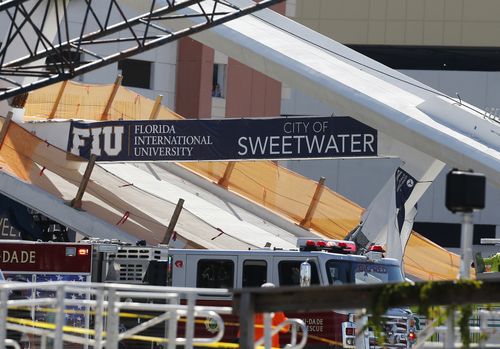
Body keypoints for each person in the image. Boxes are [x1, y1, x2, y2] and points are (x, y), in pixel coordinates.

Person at [253, 283, 290, 348]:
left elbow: (241, 333)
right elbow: (285, 329)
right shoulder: (275, 308)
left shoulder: (252, 307)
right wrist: (286, 320)